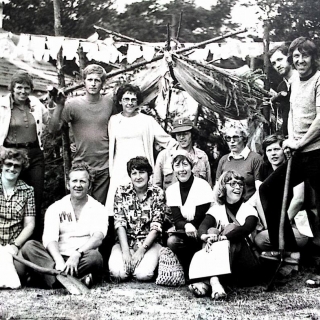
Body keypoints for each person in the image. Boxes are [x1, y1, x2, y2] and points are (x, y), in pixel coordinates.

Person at [258, 37, 320, 263]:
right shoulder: (293, 83)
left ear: (313, 58)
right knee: (267, 190)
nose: (301, 60)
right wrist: (289, 140)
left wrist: (300, 142)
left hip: (317, 153)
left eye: (305, 55)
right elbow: (293, 114)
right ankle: (286, 251)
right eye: (296, 56)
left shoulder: (319, 80)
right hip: (299, 155)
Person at [21, 162, 108, 288]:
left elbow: (98, 237)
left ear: (89, 185)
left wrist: (77, 254)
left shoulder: (98, 208)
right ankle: (69, 278)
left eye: (83, 181)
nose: (78, 185)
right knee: (29, 247)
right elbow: (50, 238)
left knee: (95, 257)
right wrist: (58, 260)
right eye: (74, 181)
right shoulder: (56, 207)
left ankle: (52, 279)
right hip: (57, 258)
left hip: (82, 258)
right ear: (68, 184)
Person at [49, 64, 115, 205]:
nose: (93, 84)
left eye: (97, 80)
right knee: (79, 207)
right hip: (81, 165)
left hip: (104, 165)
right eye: (90, 79)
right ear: (83, 81)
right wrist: (59, 106)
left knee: (98, 208)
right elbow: (53, 129)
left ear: (103, 83)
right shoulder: (73, 105)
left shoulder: (109, 103)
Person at [106, 83, 176, 217]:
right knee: (120, 208)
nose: (130, 103)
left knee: (143, 207)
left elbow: (167, 141)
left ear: (137, 101)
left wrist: (181, 151)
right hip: (120, 168)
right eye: (126, 99)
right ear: (120, 101)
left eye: (133, 100)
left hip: (142, 167)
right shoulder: (114, 120)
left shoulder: (147, 120)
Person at [189, 170, 258, 300]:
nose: (238, 187)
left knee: (231, 228)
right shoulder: (216, 209)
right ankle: (215, 282)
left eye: (240, 184)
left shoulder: (248, 208)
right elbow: (203, 227)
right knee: (211, 232)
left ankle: (208, 281)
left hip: (244, 263)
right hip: (224, 263)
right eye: (232, 184)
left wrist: (223, 237)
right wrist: (205, 236)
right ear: (223, 187)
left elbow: (246, 228)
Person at [0, 71, 50, 240]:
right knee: (9, 194)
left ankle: (32, 242)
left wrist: (59, 106)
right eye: (19, 88)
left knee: (35, 197)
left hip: (35, 154)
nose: (23, 91)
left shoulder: (35, 104)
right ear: (12, 89)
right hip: (12, 155)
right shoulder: (2, 105)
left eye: (26, 88)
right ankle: (9, 237)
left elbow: (52, 124)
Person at [108, 157, 165, 281]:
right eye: (134, 173)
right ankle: (129, 262)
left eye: (142, 172)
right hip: (125, 243)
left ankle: (148, 260)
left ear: (148, 174)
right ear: (130, 175)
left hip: (149, 244)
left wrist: (141, 251)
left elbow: (156, 225)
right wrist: (125, 251)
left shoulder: (158, 193)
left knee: (142, 274)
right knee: (119, 273)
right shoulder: (121, 191)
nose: (138, 177)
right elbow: (119, 222)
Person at [254, 135, 308, 263]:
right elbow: (259, 200)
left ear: (284, 150)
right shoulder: (264, 169)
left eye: (276, 149)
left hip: (294, 223)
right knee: (260, 239)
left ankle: (288, 251)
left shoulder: (293, 168)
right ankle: (285, 252)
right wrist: (269, 226)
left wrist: (283, 224)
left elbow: (298, 199)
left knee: (296, 238)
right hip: (274, 226)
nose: (273, 154)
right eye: (269, 150)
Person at [166, 150, 213, 277]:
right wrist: (186, 225)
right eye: (177, 165)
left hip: (203, 229)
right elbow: (177, 220)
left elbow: (200, 218)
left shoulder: (202, 186)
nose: (181, 169)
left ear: (191, 166)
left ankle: (203, 272)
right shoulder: (171, 190)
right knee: (172, 241)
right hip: (185, 231)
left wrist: (188, 225)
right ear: (173, 169)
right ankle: (186, 271)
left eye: (185, 164)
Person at [0, 148, 35, 278]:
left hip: (14, 246)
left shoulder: (27, 191)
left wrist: (15, 246)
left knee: (18, 273)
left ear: (21, 169)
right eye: (8, 164)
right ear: (2, 165)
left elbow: (30, 225)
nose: (12, 168)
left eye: (16, 166)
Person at [154, 117, 212, 190]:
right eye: (178, 134)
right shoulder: (164, 156)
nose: (181, 137)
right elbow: (156, 187)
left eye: (185, 134)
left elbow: (208, 186)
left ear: (192, 134)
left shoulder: (202, 157)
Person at [216, 124, 263, 201]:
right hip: (228, 207)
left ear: (244, 139)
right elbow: (218, 188)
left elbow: (260, 190)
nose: (232, 141)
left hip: (249, 206)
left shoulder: (256, 159)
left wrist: (246, 207)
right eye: (228, 138)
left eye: (235, 137)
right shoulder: (223, 160)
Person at [269, 44, 298, 137]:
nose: (277, 65)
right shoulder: (281, 87)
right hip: (289, 136)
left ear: (289, 58)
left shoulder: (303, 79)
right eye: (274, 63)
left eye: (279, 59)